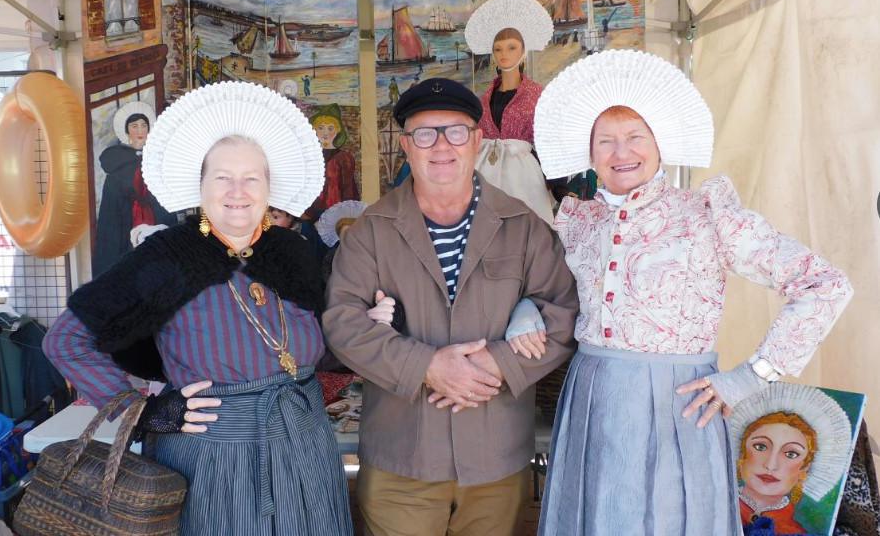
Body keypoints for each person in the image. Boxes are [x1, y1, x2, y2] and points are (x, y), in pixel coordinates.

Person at [530, 49, 853, 535]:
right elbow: (546, 289)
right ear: (589, 152)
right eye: (606, 141)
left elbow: (825, 285)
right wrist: (525, 309)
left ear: (660, 143)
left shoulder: (706, 216)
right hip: (593, 398)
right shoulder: (579, 222)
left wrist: (753, 375)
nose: (621, 153)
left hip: (679, 405)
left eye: (635, 137)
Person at [43, 82, 352, 535]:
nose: (238, 191)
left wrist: (370, 322)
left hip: (310, 450)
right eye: (222, 177)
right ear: (200, 184)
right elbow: (66, 340)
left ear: (269, 186)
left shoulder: (294, 254)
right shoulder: (167, 255)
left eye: (252, 178)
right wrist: (142, 412)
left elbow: (318, 348)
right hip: (214, 459)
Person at [323, 78, 580, 536]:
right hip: (403, 457)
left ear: (477, 141)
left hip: (496, 457)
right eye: (425, 134)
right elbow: (344, 323)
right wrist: (426, 366)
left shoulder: (523, 226)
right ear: (407, 145)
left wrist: (496, 363)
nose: (441, 146)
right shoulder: (370, 232)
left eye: (456, 132)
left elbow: (562, 313)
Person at [464, 0, 557, 222]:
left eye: (511, 47)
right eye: (498, 49)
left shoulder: (536, 95)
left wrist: (558, 185)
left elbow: (548, 141)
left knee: (525, 224)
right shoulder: (485, 97)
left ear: (523, 50)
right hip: (485, 171)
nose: (504, 54)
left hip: (523, 175)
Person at [731, 383, 853, 536]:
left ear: (805, 468)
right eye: (760, 447)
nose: (770, 465)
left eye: (791, 454)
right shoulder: (710, 509)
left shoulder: (796, 532)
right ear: (742, 453)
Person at [93, 101, 175, 277]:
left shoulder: (158, 160)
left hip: (158, 223)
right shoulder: (116, 165)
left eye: (144, 125)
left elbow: (166, 197)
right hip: (124, 227)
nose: (140, 130)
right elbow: (111, 210)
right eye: (134, 126)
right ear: (127, 130)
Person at [305, 103, 359, 220]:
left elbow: (348, 188)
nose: (325, 133)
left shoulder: (343, 158)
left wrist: (347, 214)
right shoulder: (308, 157)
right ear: (314, 130)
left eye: (330, 128)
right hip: (309, 213)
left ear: (338, 130)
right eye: (321, 128)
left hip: (335, 213)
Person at [315, 200, 367, 280]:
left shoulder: (368, 252)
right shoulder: (333, 254)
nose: (348, 236)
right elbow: (328, 276)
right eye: (343, 234)